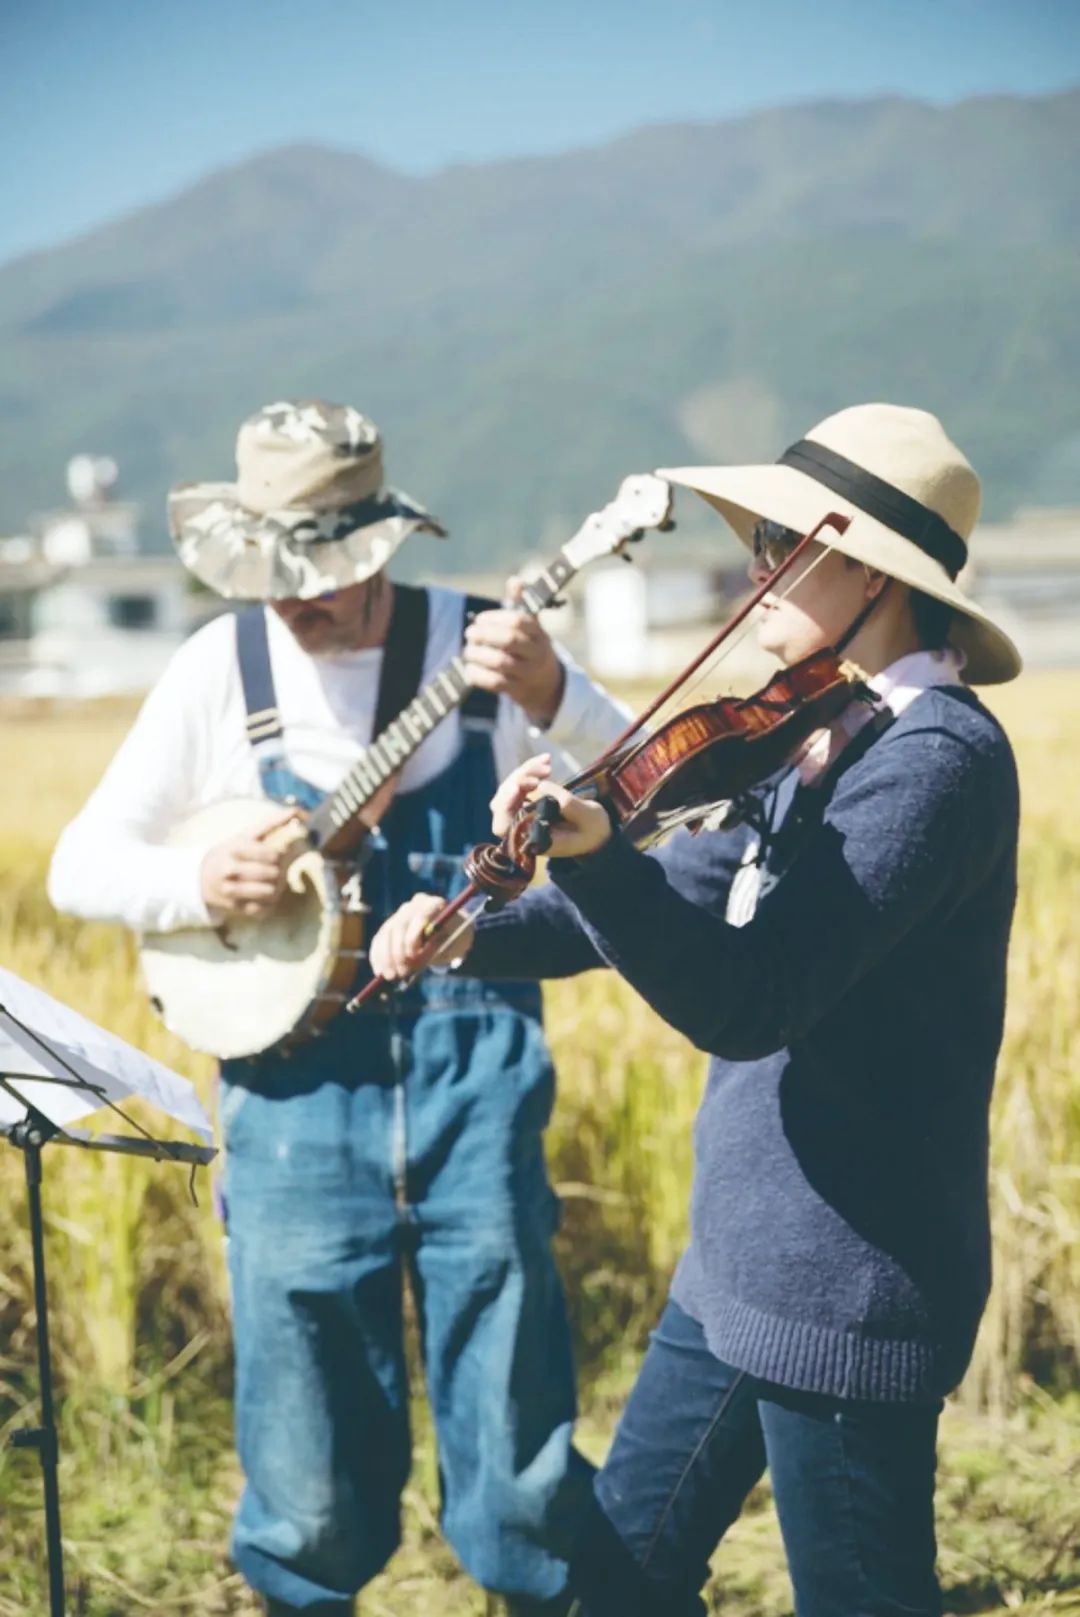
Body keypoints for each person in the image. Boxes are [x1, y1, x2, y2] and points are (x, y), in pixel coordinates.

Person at [370, 403, 1023, 1617]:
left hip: (849, 1284)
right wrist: (465, 932)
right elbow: (670, 898)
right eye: (756, 541)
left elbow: (753, 1002)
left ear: (873, 575)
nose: (754, 570)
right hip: (739, 1261)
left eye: (783, 546)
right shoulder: (815, 728)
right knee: (616, 1584)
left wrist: (596, 859)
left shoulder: (934, 764)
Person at [48, 399, 633, 1617]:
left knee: (516, 1430)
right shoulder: (220, 666)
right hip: (290, 1101)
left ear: (379, 551)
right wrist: (196, 882)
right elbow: (79, 866)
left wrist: (558, 691)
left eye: (314, 579)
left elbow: (647, 798)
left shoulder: (488, 649)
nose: (291, 604)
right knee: (305, 1460)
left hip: (480, 1078)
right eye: (266, 578)